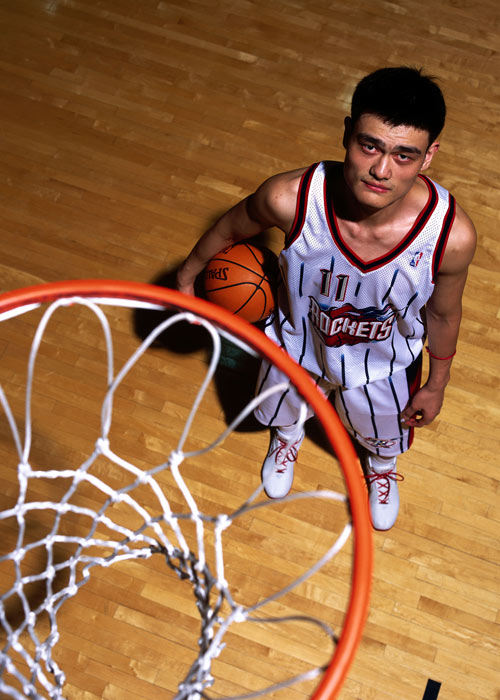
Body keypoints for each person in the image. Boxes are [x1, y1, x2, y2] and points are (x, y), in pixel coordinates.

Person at [176, 66, 476, 530]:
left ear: (429, 156)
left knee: (382, 431)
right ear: (347, 133)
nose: (381, 170)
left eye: (404, 155)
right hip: (299, 340)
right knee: (284, 405)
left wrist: (437, 384)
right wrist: (185, 280)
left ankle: (380, 466)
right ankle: (287, 436)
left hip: (383, 362)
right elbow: (230, 227)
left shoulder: (449, 236)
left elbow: (443, 314)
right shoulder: (289, 197)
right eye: (369, 146)